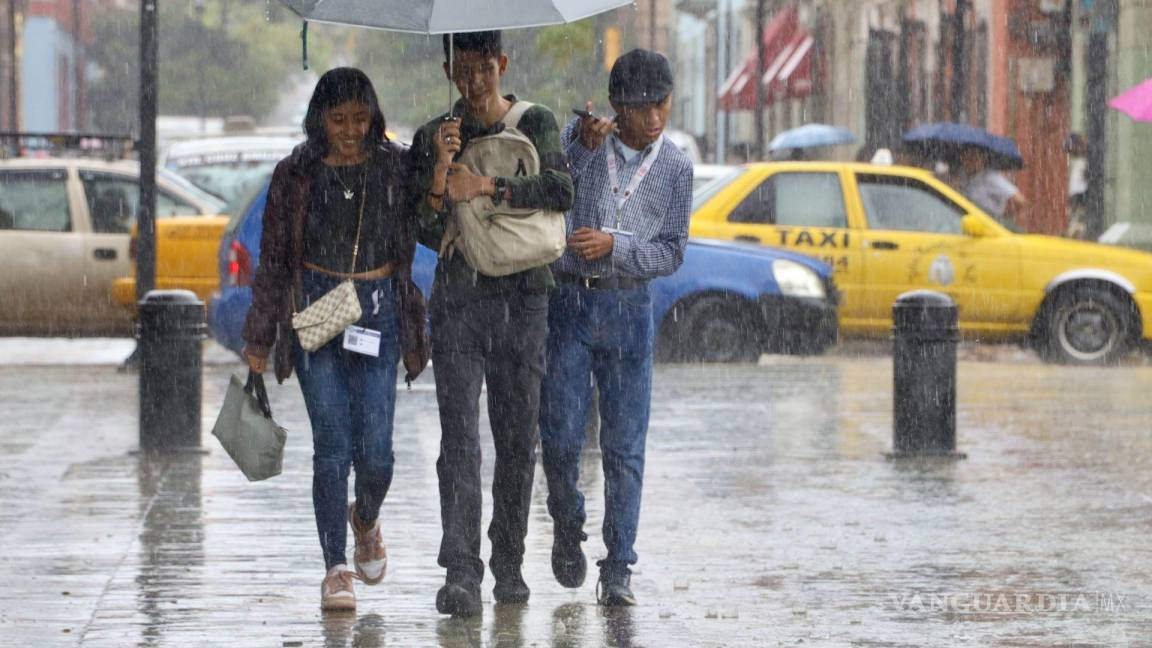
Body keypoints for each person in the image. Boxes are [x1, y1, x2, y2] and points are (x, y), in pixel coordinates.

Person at [241, 67, 429, 612]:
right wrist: (259, 335)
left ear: (374, 118)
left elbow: (435, 207)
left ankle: (365, 518)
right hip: (315, 312)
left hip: (378, 311)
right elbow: (273, 259)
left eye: (360, 119)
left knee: (378, 453)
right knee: (333, 446)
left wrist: (439, 159)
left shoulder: (395, 167)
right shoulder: (295, 174)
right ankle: (335, 568)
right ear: (319, 119)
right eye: (339, 119)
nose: (350, 130)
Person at [408, 30, 574, 617]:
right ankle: (460, 569)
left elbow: (560, 189)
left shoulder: (538, 121)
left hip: (526, 300)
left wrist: (486, 185)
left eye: (484, 69)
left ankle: (509, 562)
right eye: (462, 70)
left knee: (515, 439)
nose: (473, 82)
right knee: (458, 440)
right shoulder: (434, 134)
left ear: (502, 65)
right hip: (459, 300)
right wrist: (439, 172)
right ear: (448, 68)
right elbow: (423, 232)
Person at [538, 48, 693, 607]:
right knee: (556, 436)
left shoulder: (675, 168)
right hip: (570, 306)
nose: (653, 119)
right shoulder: (581, 143)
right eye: (640, 108)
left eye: (662, 105)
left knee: (625, 445)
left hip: (630, 309)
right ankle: (567, 516)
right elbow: (553, 197)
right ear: (615, 107)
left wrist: (617, 248)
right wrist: (580, 150)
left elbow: (673, 251)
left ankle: (619, 565)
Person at [955, 146, 1027, 227]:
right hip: (967, 224)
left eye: (973, 158)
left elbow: (1019, 200)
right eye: (966, 157)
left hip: (987, 227)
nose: (968, 161)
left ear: (982, 160)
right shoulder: (963, 176)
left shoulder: (990, 178)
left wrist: (1000, 217)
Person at [1064, 133, 1089, 239]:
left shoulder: (1083, 161)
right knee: (1076, 218)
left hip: (1080, 194)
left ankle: (1076, 233)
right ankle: (1075, 232)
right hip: (1077, 194)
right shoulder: (1075, 161)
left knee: (1078, 219)